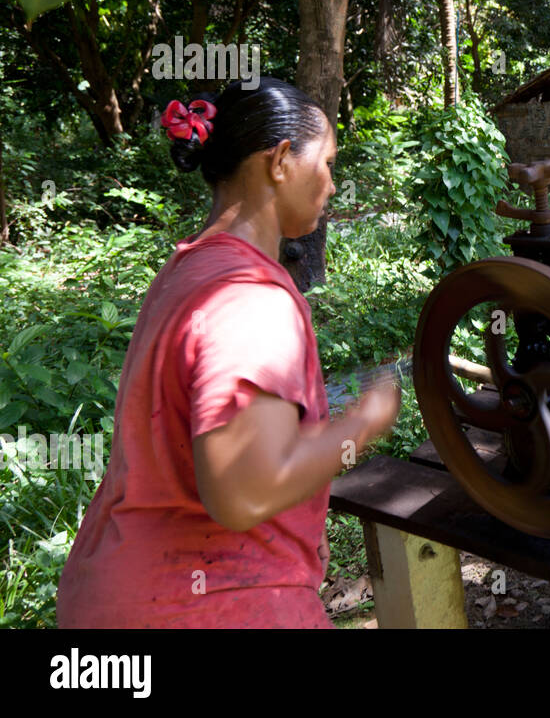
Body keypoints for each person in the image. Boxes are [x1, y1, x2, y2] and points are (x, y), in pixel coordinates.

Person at [57, 78, 400, 628]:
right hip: (209, 607)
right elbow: (243, 491)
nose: (333, 186)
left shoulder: (190, 268)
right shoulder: (251, 297)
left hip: (118, 591)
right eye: (328, 163)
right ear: (282, 160)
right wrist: (364, 423)